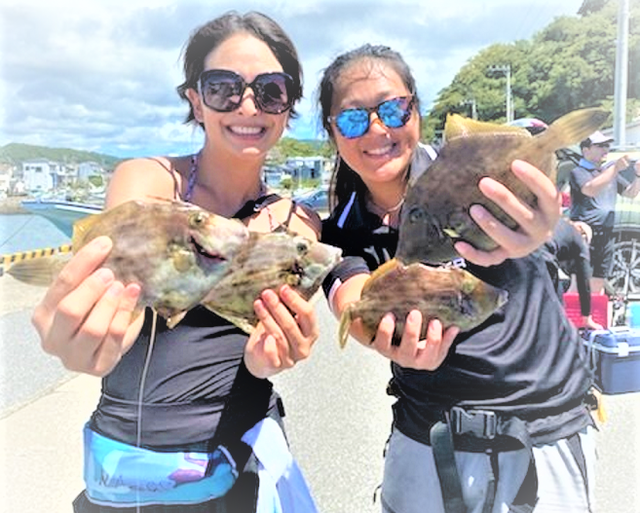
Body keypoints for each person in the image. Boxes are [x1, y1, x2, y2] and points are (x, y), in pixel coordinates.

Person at [31, 11, 321, 513]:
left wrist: (267, 359)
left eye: (270, 90)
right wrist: (79, 335)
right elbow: (112, 278)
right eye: (223, 87)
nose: (247, 104)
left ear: (289, 106)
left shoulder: (301, 224)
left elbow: (263, 346)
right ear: (195, 99)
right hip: (133, 466)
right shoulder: (147, 182)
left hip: (248, 454)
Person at [318, 44, 596, 513]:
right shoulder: (340, 228)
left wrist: (540, 226)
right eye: (351, 119)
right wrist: (374, 334)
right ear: (332, 132)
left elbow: (548, 232)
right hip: (428, 439)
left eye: (393, 109)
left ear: (416, 110)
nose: (377, 129)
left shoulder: (469, 168)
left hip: (544, 436)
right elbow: (352, 297)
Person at [569, 131, 640, 293]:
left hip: (606, 234)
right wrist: (615, 168)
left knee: (598, 281)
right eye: (600, 145)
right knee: (578, 282)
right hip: (585, 234)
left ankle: (592, 317)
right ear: (585, 149)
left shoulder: (608, 172)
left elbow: (631, 193)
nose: (605, 149)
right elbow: (590, 189)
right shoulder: (578, 172)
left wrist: (637, 175)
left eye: (607, 145)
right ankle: (570, 317)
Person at [542, 217, 604, 330]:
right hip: (542, 258)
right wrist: (587, 318)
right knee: (555, 300)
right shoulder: (579, 240)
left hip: (519, 250)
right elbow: (584, 281)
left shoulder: (560, 223)